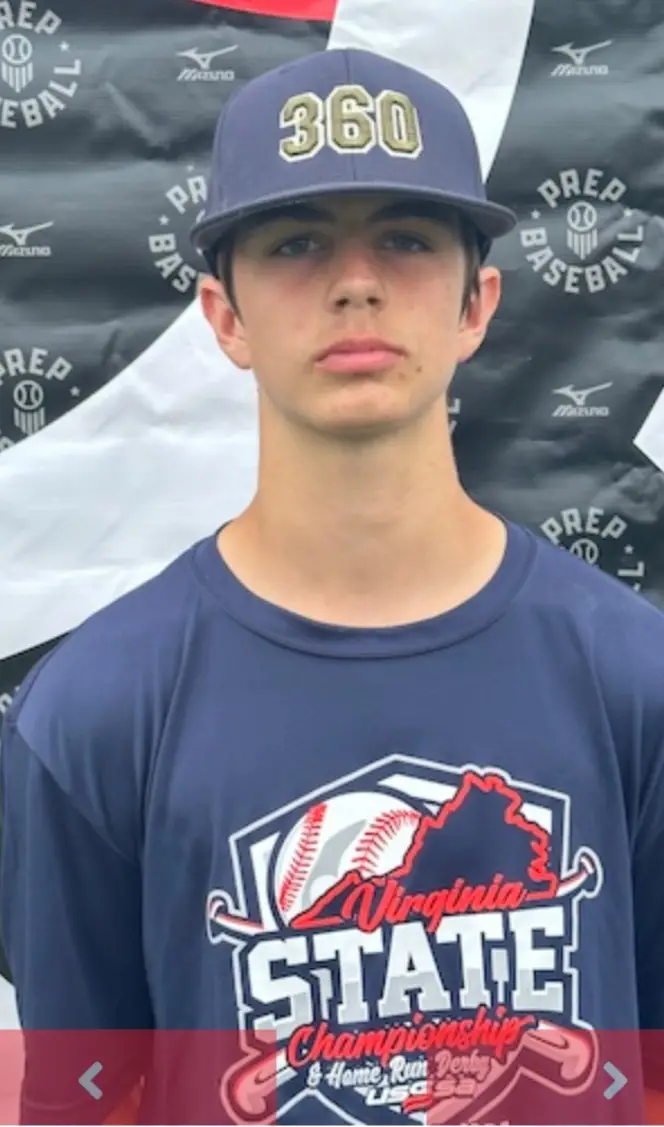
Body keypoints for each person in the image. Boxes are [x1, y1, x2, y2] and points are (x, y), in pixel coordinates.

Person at [1, 46, 663, 1126]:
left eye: (406, 238)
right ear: (224, 315)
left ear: (476, 304)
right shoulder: (95, 711)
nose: (356, 281)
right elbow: (89, 1107)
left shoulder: (634, 678)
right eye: (297, 243)